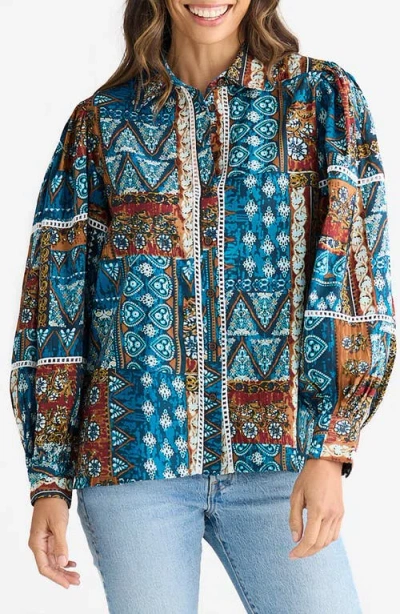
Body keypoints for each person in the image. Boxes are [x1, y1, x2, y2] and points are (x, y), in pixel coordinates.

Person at [9, 1, 397, 612]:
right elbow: (55, 307)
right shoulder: (100, 124)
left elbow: (356, 281)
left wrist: (332, 447)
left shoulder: (321, 99)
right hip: (135, 464)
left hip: (283, 463)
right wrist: (49, 481)